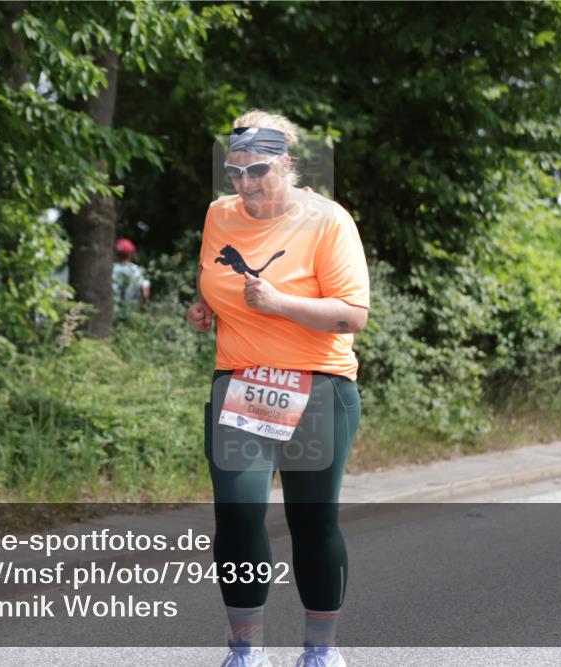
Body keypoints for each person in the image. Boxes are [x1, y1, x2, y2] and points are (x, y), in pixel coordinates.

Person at [187, 111, 369, 667]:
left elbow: (351, 316)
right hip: (242, 383)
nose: (246, 183)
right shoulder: (220, 215)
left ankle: (320, 653)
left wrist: (280, 304)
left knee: (311, 519)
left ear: (287, 163)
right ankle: (245, 653)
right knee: (238, 516)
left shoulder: (329, 221)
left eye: (258, 169)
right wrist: (207, 310)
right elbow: (220, 286)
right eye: (234, 171)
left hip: (317, 385)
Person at [111, 237, 151, 310]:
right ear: (130, 254)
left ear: (117, 253)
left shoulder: (111, 269)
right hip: (131, 309)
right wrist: (143, 305)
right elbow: (145, 291)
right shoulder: (135, 270)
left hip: (113, 309)